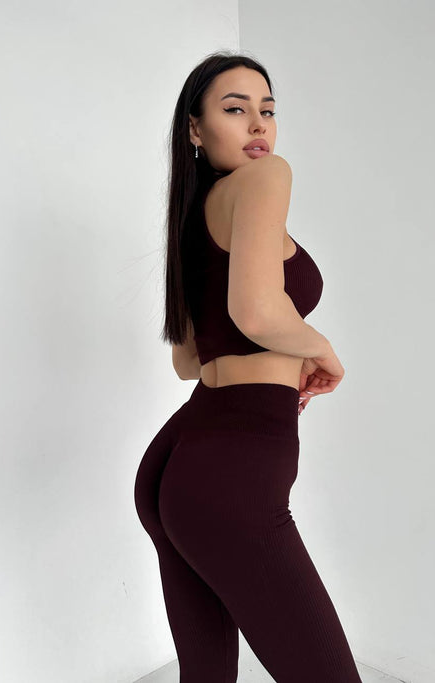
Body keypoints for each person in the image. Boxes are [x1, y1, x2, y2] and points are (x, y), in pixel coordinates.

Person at [134, 51, 363, 682]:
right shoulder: (266, 179)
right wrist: (322, 348)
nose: (259, 125)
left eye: (268, 110)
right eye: (236, 109)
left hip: (179, 461)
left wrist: (290, 344)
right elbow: (258, 312)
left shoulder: (194, 215)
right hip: (234, 467)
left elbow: (189, 360)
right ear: (195, 128)